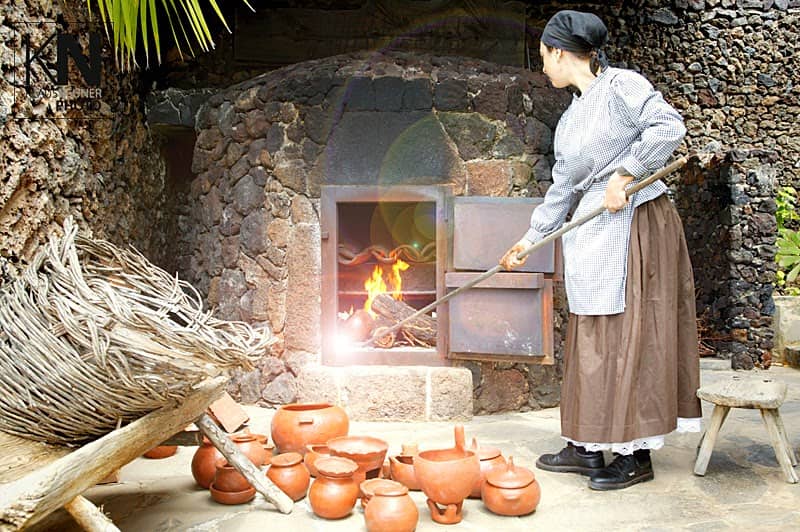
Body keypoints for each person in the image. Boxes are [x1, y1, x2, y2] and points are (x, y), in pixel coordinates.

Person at [500, 10, 702, 491]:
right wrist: (530, 239)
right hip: (592, 235)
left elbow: (667, 128)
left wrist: (625, 174)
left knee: (632, 333)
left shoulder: (622, 86)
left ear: (561, 52)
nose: (542, 63)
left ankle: (635, 456)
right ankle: (588, 446)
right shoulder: (570, 120)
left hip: (636, 227)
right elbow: (562, 189)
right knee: (594, 335)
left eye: (544, 54)